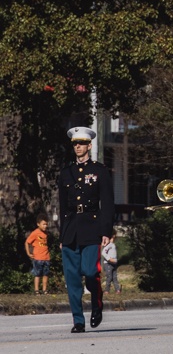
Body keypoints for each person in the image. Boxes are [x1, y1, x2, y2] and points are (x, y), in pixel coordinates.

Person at [57, 126, 114, 333]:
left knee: (91, 272)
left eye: (81, 143)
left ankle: (97, 302)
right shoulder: (66, 173)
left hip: (92, 227)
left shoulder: (100, 171)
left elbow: (107, 203)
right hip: (71, 229)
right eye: (75, 143)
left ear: (89, 145)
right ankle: (78, 320)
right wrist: (62, 234)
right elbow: (63, 206)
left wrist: (106, 231)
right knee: (72, 278)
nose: (78, 146)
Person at [25, 213, 51, 295]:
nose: (45, 226)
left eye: (46, 224)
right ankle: (36, 290)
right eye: (43, 224)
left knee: (46, 274)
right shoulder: (35, 233)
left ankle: (44, 290)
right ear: (38, 224)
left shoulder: (46, 233)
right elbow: (27, 242)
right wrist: (29, 253)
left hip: (46, 257)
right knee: (37, 274)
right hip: (38, 258)